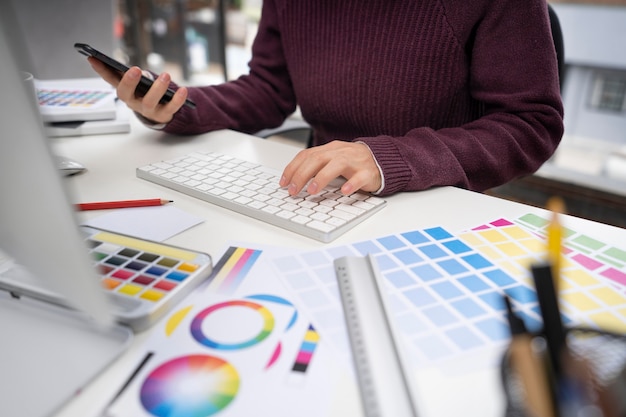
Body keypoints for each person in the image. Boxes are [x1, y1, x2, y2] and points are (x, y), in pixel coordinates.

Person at [89, 0, 563, 198]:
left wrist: (387, 158)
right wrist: (179, 106)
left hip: (433, 202)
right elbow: (270, 89)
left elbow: (530, 123)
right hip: (320, 195)